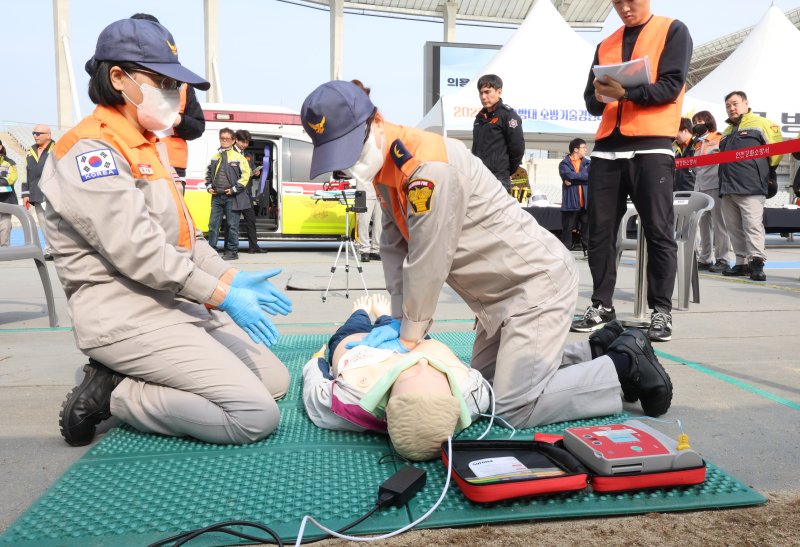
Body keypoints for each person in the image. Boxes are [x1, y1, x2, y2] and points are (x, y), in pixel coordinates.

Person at [300, 80, 674, 431]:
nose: (352, 164)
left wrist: (410, 335)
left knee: (511, 408)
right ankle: (597, 348)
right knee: (481, 385)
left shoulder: (427, 168)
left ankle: (623, 365)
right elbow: (394, 247)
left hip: (535, 285)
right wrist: (399, 318)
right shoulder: (388, 170)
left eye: (354, 148)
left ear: (376, 121)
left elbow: (428, 260)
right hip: (500, 296)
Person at [39, 17, 292, 447]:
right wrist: (221, 296)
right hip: (126, 314)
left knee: (274, 380)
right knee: (253, 415)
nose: (174, 93)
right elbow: (139, 252)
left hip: (171, 302)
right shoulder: (91, 151)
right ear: (118, 78)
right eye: (161, 80)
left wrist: (230, 278)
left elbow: (186, 238)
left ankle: (142, 374)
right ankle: (115, 392)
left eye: (174, 81)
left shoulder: (146, 144)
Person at [571, 0, 693, 343]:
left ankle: (661, 311)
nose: (624, 7)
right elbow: (591, 101)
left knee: (658, 229)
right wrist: (602, 94)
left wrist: (626, 91)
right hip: (608, 148)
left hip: (652, 145)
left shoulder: (673, 30)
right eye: (617, 2)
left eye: (631, 0)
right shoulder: (605, 44)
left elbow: (672, 86)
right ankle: (601, 304)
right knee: (599, 230)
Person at [302, 294, 489, 461]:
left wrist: (317, 362)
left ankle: (360, 312)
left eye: (408, 375)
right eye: (436, 373)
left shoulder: (350, 403)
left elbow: (316, 391)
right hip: (409, 337)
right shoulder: (473, 396)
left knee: (354, 324)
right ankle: (384, 316)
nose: (422, 363)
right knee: (399, 325)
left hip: (357, 342)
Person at [130, 13, 205, 192]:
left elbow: (198, 127)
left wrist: (175, 118)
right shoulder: (121, 79)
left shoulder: (183, 86)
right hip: (130, 157)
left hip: (171, 163)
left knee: (171, 217)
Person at [718, 91, 782, 282]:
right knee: (734, 227)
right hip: (727, 187)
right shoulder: (726, 132)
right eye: (728, 105)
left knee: (753, 225)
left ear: (746, 103)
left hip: (751, 185)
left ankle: (756, 262)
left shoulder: (761, 123)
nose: (731, 108)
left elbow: (776, 151)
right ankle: (741, 262)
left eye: (735, 103)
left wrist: (767, 173)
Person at [690, 111, 733, 273]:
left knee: (719, 223)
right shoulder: (698, 143)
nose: (697, 124)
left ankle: (723, 258)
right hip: (699, 186)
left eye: (700, 121)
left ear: (708, 121)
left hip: (714, 184)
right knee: (703, 224)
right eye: (695, 122)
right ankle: (705, 258)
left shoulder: (718, 138)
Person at [471, 74, 525, 193]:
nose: (483, 97)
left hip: (498, 178)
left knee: (499, 212)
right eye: (481, 93)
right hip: (478, 178)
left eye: (487, 92)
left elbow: (517, 148)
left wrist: (506, 171)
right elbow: (475, 149)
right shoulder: (479, 118)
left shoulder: (508, 116)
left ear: (499, 91)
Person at [206, 127, 251, 260]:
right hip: (217, 197)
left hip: (232, 197)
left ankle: (232, 251)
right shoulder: (215, 157)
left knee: (232, 225)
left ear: (233, 141)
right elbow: (208, 174)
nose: (224, 141)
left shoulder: (239, 157)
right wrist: (209, 187)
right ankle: (212, 251)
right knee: (213, 225)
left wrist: (234, 189)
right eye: (222, 138)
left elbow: (246, 176)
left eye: (227, 139)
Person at [350, 79, 382, 262]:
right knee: (364, 213)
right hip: (363, 172)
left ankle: (376, 247)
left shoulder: (374, 118)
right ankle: (364, 248)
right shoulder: (353, 121)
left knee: (380, 213)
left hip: (380, 173)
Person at [23, 124, 56, 259]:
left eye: (38, 133)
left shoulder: (57, 149)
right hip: (37, 194)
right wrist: (25, 194)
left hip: (53, 194)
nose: (35, 136)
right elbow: (27, 174)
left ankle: (60, 249)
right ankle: (49, 250)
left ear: (48, 135)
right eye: (33, 133)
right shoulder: (30, 151)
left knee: (54, 224)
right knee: (43, 223)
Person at [234, 129, 266, 254]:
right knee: (233, 222)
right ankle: (231, 248)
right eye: (242, 142)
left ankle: (253, 246)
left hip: (246, 193)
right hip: (234, 193)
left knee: (251, 220)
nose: (244, 145)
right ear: (236, 140)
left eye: (247, 142)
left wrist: (256, 173)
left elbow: (251, 171)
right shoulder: (229, 154)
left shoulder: (249, 156)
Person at [558, 138, 590, 251]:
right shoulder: (564, 163)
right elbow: (568, 175)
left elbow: (590, 177)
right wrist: (581, 178)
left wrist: (573, 179)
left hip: (585, 203)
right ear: (576, 149)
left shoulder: (588, 163)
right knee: (567, 228)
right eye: (584, 148)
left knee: (587, 229)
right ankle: (565, 252)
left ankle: (588, 251)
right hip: (571, 202)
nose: (586, 150)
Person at [0, 140, 19, 246]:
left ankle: (4, 248)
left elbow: (12, 178)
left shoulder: (10, 163)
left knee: (5, 225)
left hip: (6, 198)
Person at [673, 117, 696, 192]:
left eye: (676, 132)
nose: (674, 136)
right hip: (678, 192)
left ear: (685, 131)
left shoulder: (698, 145)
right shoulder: (677, 149)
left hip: (694, 192)